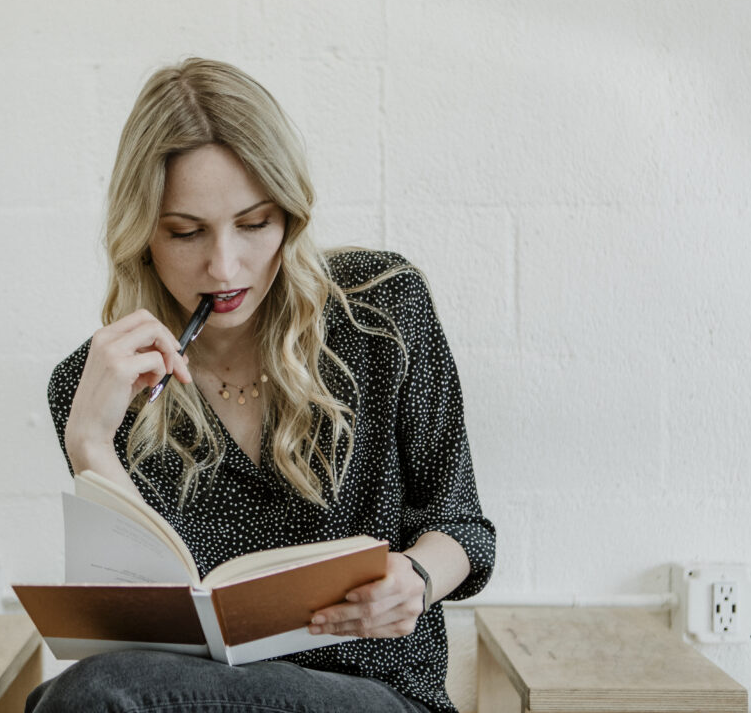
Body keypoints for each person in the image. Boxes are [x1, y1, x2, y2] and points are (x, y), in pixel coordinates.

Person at [25, 58, 495, 713]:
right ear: (141, 236)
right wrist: (91, 445)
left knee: (87, 699)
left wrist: (415, 578)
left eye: (253, 224)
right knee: (90, 693)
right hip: (194, 701)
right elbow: (132, 644)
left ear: (291, 216)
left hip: (379, 695)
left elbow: (462, 527)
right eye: (185, 233)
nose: (224, 266)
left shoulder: (382, 312)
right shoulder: (99, 381)